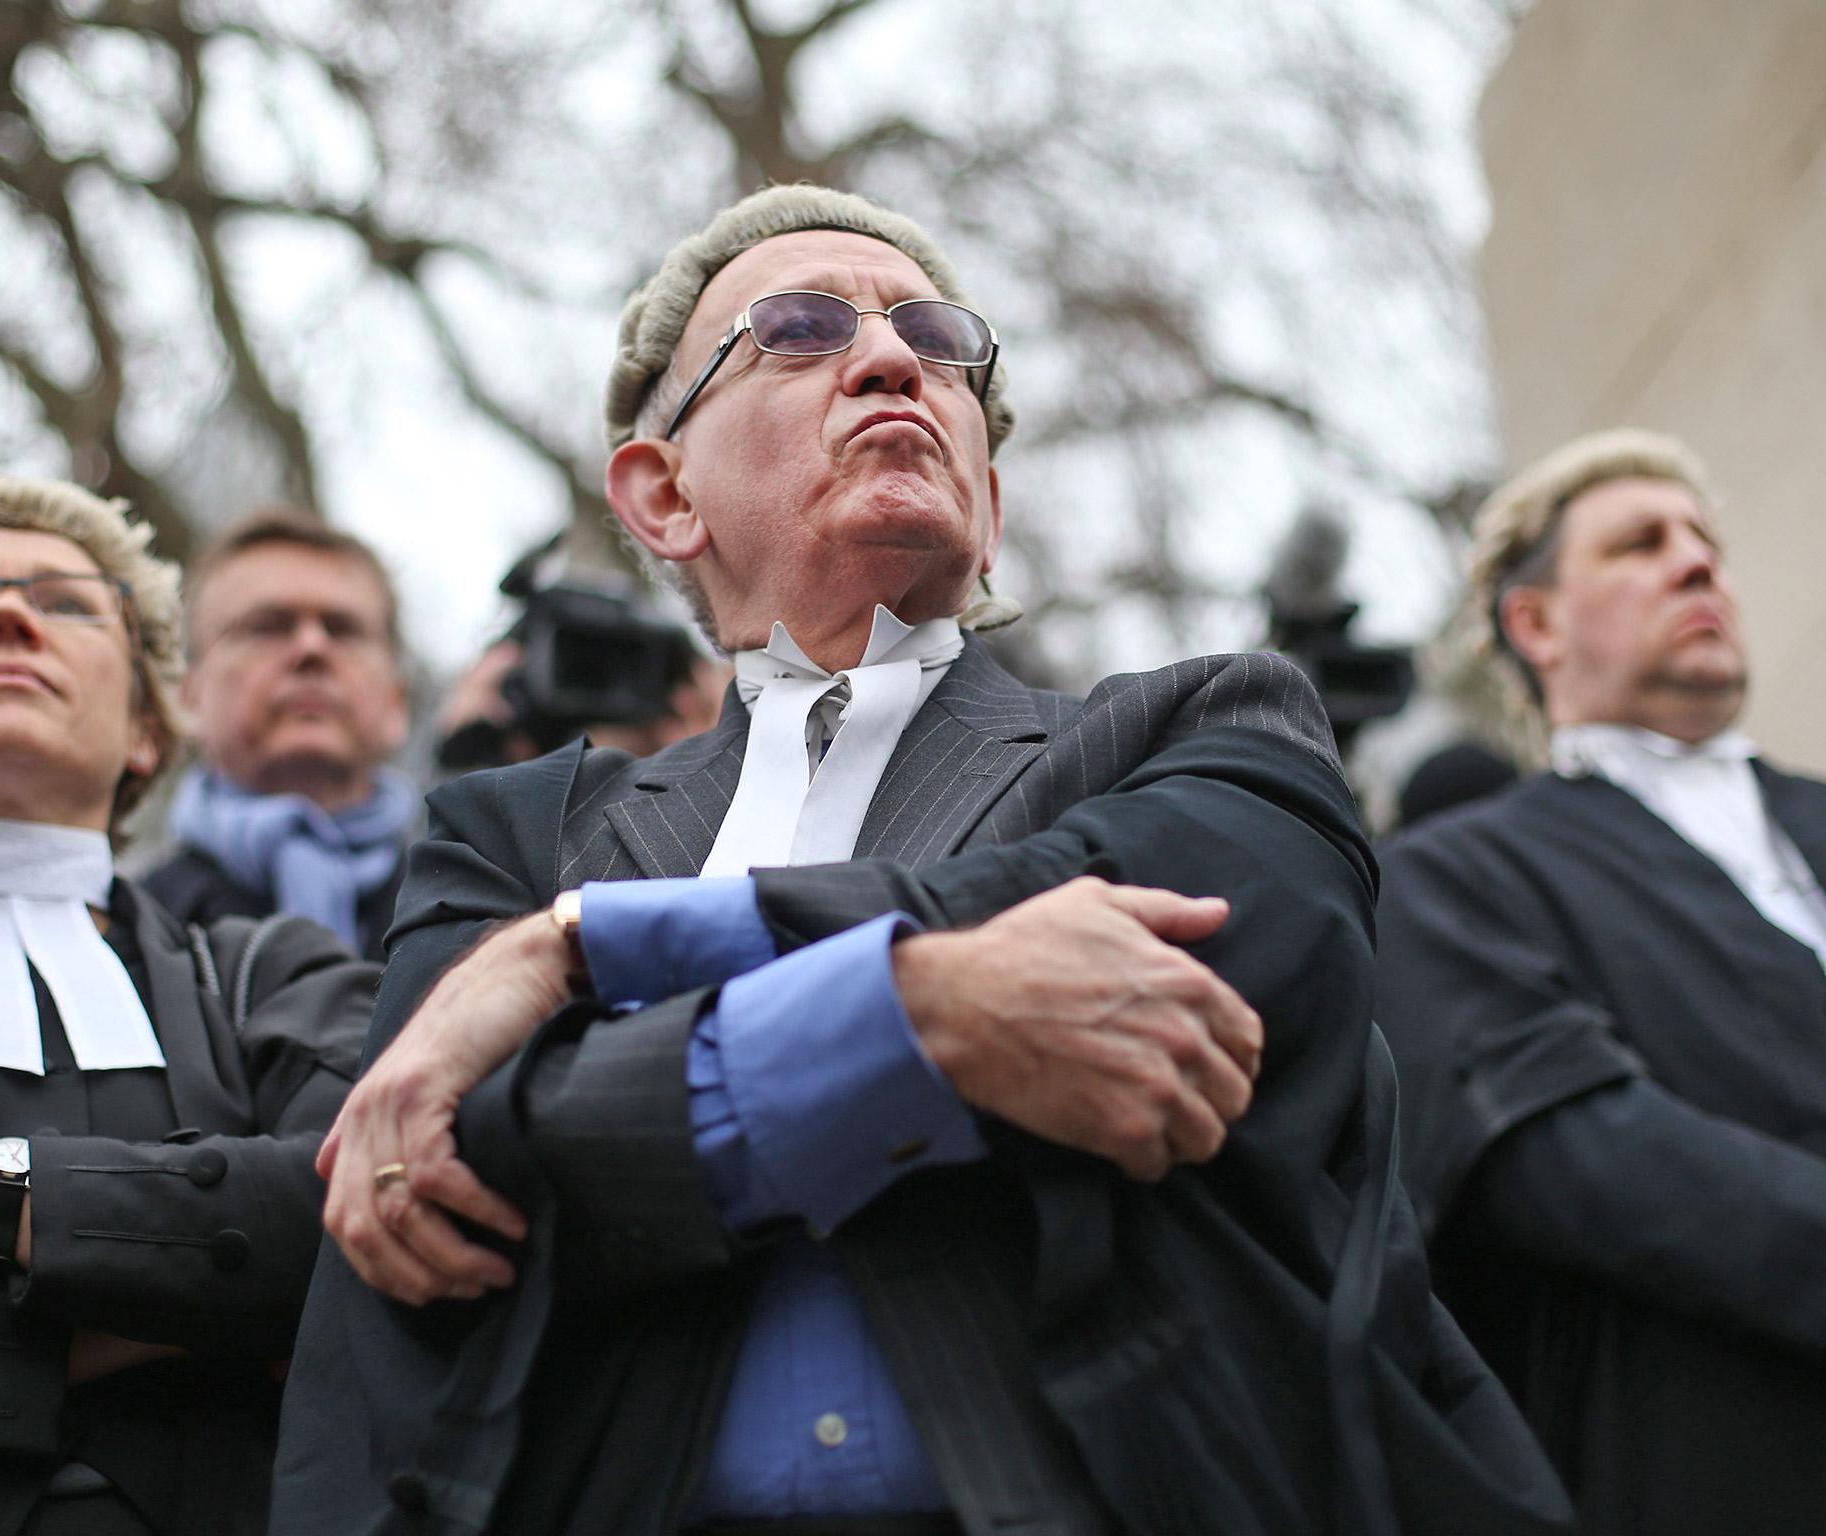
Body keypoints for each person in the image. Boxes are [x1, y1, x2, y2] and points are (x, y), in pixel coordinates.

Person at [274, 186, 1570, 1536]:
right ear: (662, 495)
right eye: (797, 328)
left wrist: (591, 950)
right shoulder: (512, 832)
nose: (894, 359)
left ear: (990, 503)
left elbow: (1204, 965)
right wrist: (928, 1014)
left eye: (938, 339)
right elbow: (441, 1171)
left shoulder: (1208, 724)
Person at [0, 478, 377, 1536]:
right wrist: (169, 1321)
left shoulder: (270, 970)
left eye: (65, 604)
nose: (10, 616)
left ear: (147, 730)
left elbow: (361, 1201)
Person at [1375, 429, 1826, 1536]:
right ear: (1533, 624)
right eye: (1639, 543)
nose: (1694, 563)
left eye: (1702, 542)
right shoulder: (1447, 877)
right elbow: (1568, 1157)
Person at [144, 507, 414, 960]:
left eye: (343, 630)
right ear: (188, 698)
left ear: (396, 703)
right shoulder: (129, 933)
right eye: (267, 628)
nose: (311, 647)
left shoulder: (485, 919)